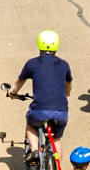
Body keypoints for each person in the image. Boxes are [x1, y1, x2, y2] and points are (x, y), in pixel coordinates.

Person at [8, 30, 72, 163]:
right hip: (61, 111)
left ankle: (35, 151)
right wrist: (66, 94)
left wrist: (12, 93)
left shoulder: (32, 63)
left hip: (40, 110)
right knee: (56, 139)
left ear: (39, 44)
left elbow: (18, 83)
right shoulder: (64, 64)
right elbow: (68, 85)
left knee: (31, 124)